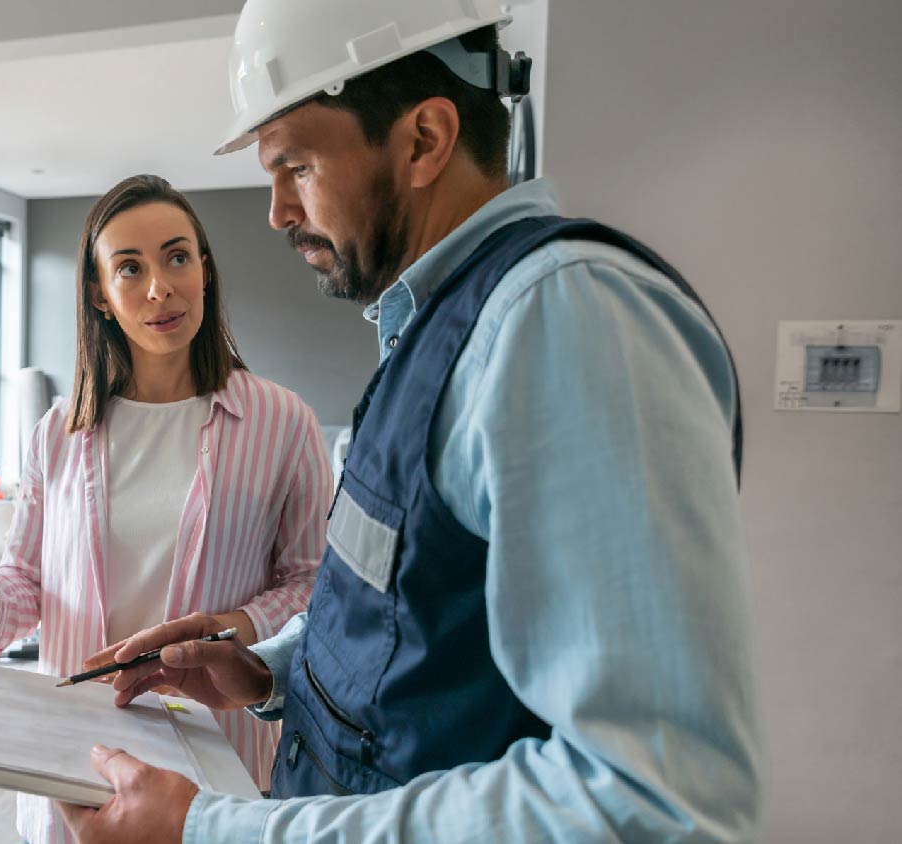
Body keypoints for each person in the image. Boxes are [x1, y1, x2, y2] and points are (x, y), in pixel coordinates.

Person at [59, 1, 763, 842]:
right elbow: (410, 620)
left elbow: (649, 800)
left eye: (297, 168)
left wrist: (208, 833)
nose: (278, 211)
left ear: (425, 139)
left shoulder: (561, 321)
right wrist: (265, 672)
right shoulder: (439, 331)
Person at [0, 175, 331, 844]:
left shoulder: (283, 421)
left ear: (204, 270)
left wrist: (225, 629)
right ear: (99, 295)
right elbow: (28, 579)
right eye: (130, 268)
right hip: (78, 762)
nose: (160, 286)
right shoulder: (59, 431)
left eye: (177, 257)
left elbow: (312, 585)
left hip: (218, 770)